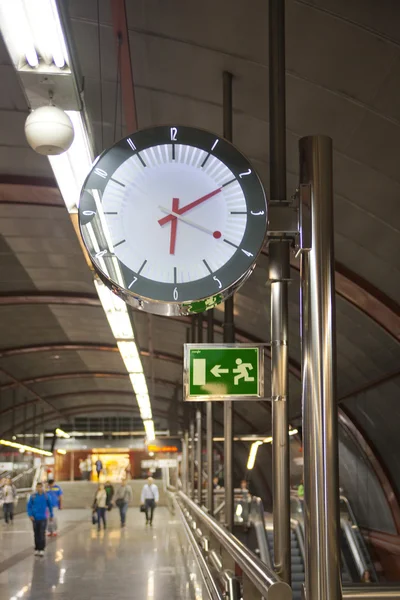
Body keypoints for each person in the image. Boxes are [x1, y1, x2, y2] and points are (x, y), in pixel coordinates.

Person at [27, 482, 53, 557]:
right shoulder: (33, 496)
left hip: (43, 518)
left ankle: (42, 549)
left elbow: (50, 506)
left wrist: (51, 515)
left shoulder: (46, 496)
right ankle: (37, 548)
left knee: (42, 533)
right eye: (38, 487)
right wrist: (30, 515)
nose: (39, 488)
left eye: (40, 487)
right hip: (34, 518)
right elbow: (29, 506)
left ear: (43, 487)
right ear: (36, 488)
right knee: (36, 534)